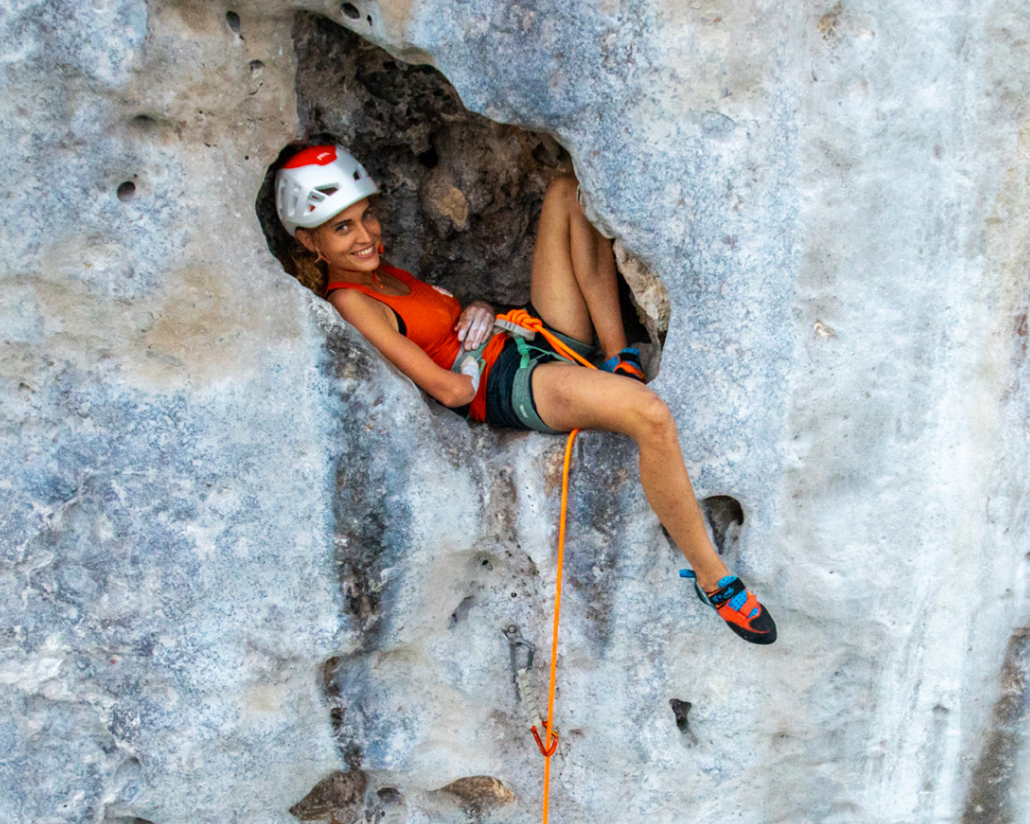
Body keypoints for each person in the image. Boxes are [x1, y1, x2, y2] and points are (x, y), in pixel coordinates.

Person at [262, 142, 775, 645]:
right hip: (511, 384)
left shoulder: (382, 271)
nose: (366, 235)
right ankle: (714, 579)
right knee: (650, 415)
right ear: (309, 243)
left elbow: (441, 320)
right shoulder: (352, 299)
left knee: (566, 193)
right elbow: (447, 388)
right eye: (342, 227)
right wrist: (478, 355)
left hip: (522, 343)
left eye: (365, 216)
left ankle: (619, 356)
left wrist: (480, 310)